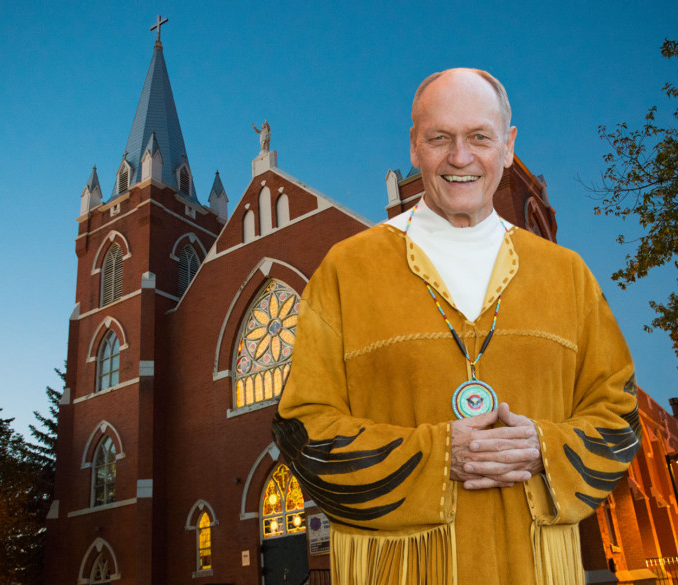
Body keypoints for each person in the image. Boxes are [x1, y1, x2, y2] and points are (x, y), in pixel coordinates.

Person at [273, 68, 640, 585]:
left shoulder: (567, 275)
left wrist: (544, 448)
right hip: (398, 570)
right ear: (415, 146)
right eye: (440, 138)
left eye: (480, 138)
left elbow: (618, 416)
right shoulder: (346, 269)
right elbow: (302, 428)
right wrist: (438, 456)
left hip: (539, 568)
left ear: (508, 147)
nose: (460, 158)